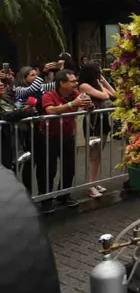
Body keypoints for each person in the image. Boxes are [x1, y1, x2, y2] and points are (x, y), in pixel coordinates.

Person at [35, 69, 93, 213]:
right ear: (62, 83)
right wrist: (71, 104)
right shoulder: (49, 95)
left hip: (68, 136)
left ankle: (63, 195)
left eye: (75, 81)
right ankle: (46, 200)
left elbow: (86, 105)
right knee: (49, 169)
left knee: (69, 167)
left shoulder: (75, 94)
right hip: (49, 136)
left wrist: (89, 105)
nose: (76, 84)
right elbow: (50, 110)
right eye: (72, 81)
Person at [78, 63, 115, 198]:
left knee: (98, 154)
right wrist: (101, 85)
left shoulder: (97, 84)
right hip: (93, 122)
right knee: (93, 155)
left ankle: (95, 181)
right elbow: (105, 96)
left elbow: (114, 94)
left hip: (103, 120)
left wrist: (104, 82)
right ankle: (90, 185)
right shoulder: (84, 85)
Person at [0, 80, 36, 172]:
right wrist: (25, 110)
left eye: (1, 82)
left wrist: (11, 81)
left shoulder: (5, 98)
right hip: (3, 141)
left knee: (14, 170)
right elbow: (7, 116)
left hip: (14, 139)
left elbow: (14, 109)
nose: (1, 84)